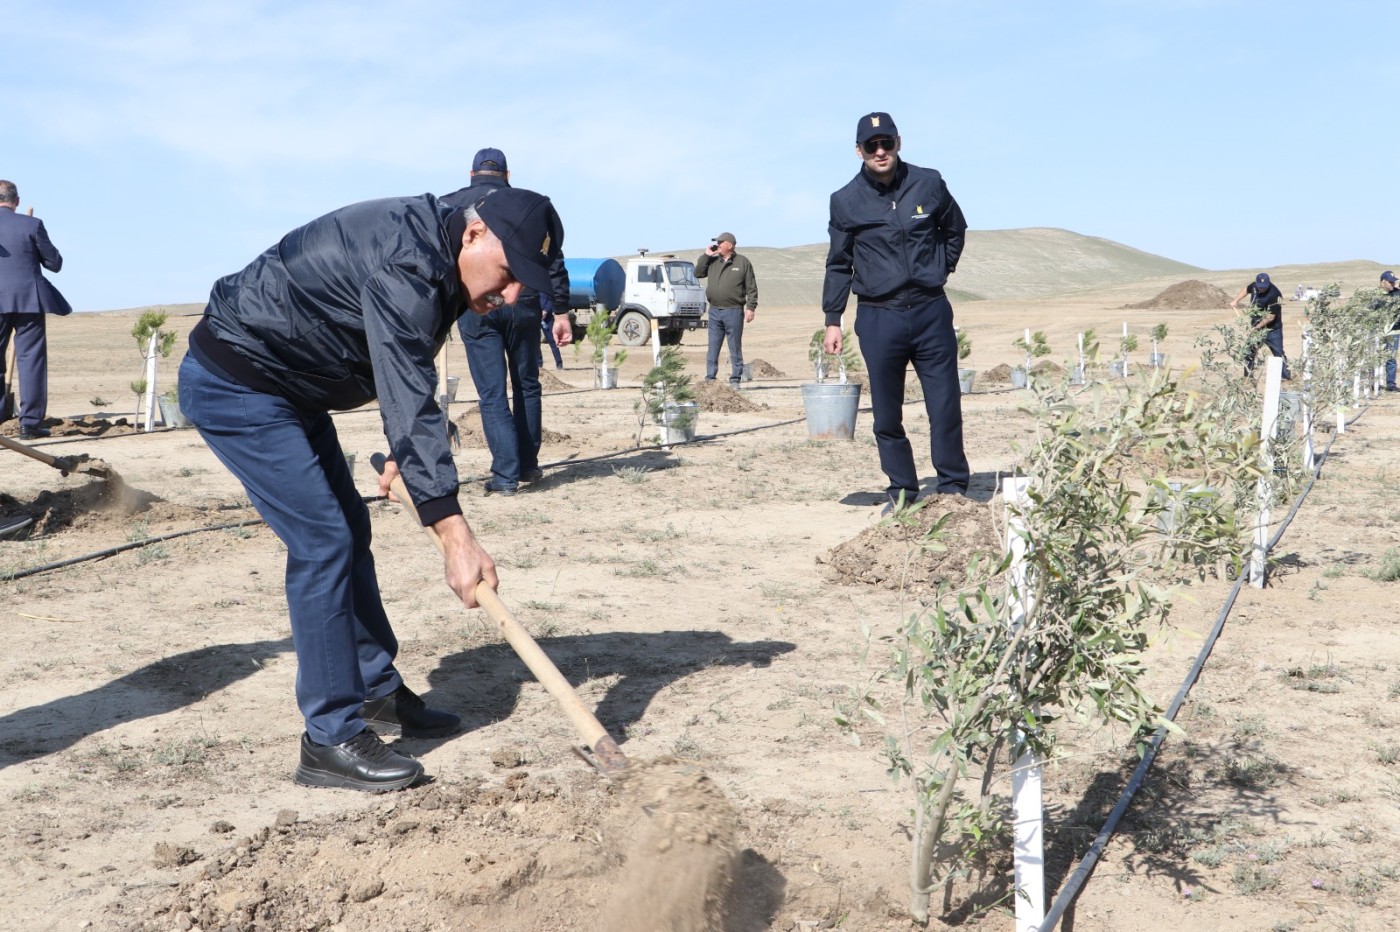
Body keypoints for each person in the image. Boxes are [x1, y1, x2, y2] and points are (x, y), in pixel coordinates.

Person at [177, 185, 565, 792]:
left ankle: (376, 690)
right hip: (238, 383)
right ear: (474, 235)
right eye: (510, 272)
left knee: (348, 531)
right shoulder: (409, 260)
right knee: (323, 542)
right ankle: (328, 738)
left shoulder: (440, 253)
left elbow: (401, 372)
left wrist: (412, 462)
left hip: (292, 389)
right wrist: (455, 534)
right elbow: (410, 396)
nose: (512, 294)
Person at [821, 112, 970, 514]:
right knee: (887, 411)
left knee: (944, 403)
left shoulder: (929, 182)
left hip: (930, 311)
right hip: (878, 315)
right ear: (859, 151)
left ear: (899, 142)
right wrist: (832, 320)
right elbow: (838, 264)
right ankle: (902, 490)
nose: (881, 151)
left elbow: (954, 229)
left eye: (886, 142)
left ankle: (953, 488)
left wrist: (941, 267)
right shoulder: (845, 200)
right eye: (872, 145)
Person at [442, 149, 572, 494]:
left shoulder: (451, 205)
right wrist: (560, 311)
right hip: (523, 300)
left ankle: (505, 476)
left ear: (471, 174)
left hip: (478, 302)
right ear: (507, 174)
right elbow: (553, 260)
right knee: (527, 384)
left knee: (492, 393)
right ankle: (528, 466)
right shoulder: (526, 208)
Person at [0, 180, 71, 439]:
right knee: (31, 361)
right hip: (29, 300)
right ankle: (29, 425)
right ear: (16, 201)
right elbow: (54, 263)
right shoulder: (32, 224)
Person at [696, 232, 758, 388]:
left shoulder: (743, 262)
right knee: (713, 345)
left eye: (720, 242)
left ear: (730, 245)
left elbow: (752, 288)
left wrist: (750, 308)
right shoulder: (712, 261)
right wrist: (706, 256)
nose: (717, 244)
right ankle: (710, 378)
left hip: (734, 311)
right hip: (715, 310)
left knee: (734, 345)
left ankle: (735, 379)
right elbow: (698, 273)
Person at [1230, 272, 1291, 379]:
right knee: (1249, 352)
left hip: (1272, 329)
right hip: (1256, 327)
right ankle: (1248, 378)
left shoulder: (1275, 294)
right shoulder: (1254, 286)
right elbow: (1246, 289)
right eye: (1260, 287)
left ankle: (1286, 378)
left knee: (1278, 353)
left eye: (1264, 287)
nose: (1262, 289)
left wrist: (1256, 327)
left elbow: (1270, 317)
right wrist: (1236, 301)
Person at [1376, 271, 1400, 391]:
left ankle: (1391, 384)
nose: (1393, 283)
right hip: (1377, 330)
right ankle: (1375, 383)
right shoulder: (1375, 295)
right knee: (1376, 357)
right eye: (1390, 281)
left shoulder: (1398, 294)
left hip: (1393, 331)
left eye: (1394, 281)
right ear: (1382, 282)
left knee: (1391, 356)